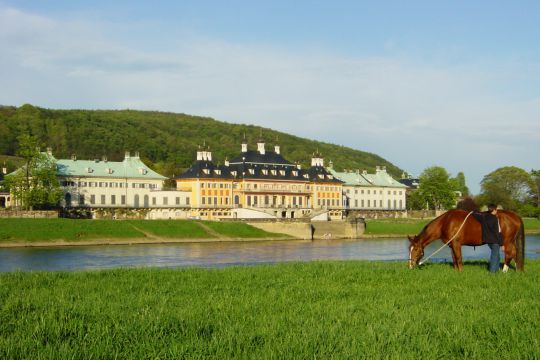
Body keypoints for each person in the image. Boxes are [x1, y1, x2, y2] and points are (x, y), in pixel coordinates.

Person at [472, 204, 503, 273]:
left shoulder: (483, 217)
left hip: (488, 241)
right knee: (494, 256)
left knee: (497, 255)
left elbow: (475, 215)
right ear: (494, 210)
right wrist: (502, 243)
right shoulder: (495, 218)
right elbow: (498, 232)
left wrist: (473, 211)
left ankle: (497, 270)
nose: (497, 211)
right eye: (496, 210)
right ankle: (492, 273)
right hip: (495, 241)